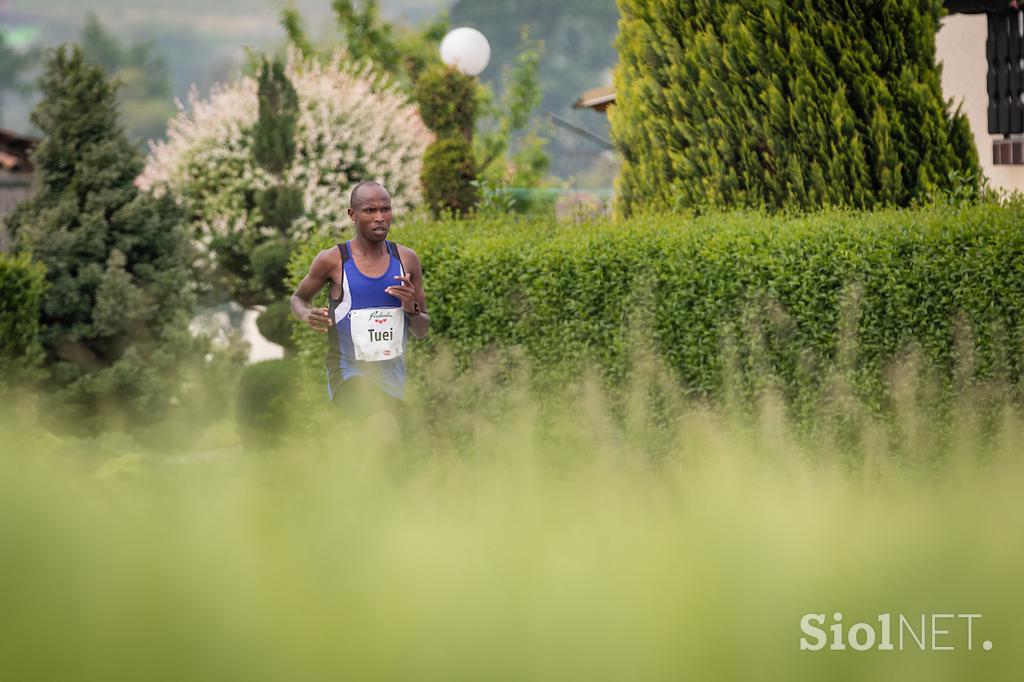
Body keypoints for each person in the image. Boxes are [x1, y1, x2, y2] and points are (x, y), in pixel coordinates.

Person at [291, 181, 429, 415]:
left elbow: (421, 330)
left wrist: (410, 309)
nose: (379, 217)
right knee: (382, 429)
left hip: (391, 379)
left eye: (385, 209)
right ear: (352, 214)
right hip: (347, 374)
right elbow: (298, 298)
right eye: (370, 210)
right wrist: (307, 314)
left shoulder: (407, 260)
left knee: (387, 444)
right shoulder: (333, 261)